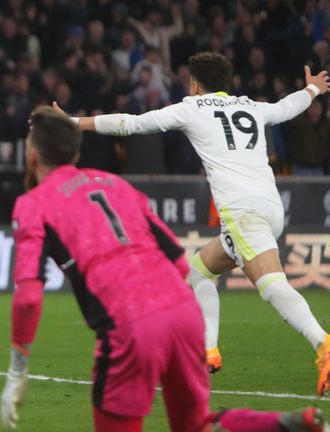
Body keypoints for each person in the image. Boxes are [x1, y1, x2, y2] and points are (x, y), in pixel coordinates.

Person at [0, 106, 327, 431]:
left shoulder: (33, 204)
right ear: (74, 153)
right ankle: (280, 425)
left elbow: (28, 297)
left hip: (131, 327)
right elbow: (176, 258)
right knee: (196, 424)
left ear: (32, 156)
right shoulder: (117, 186)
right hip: (184, 316)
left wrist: (17, 371)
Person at [55, 52, 330, 397]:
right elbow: (284, 108)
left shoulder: (190, 108)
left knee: (272, 286)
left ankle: (323, 344)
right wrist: (312, 91)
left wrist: (75, 122)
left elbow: (132, 123)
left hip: (242, 212)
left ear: (196, 84)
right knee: (199, 272)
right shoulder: (251, 106)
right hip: (271, 208)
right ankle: (207, 351)